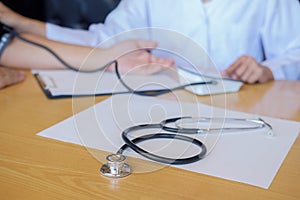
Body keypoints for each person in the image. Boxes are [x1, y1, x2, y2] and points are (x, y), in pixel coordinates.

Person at [1, 0, 299, 83]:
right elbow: (103, 41)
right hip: (167, 104)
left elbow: (295, 50)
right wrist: (22, 23)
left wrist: (268, 70)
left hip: (245, 106)